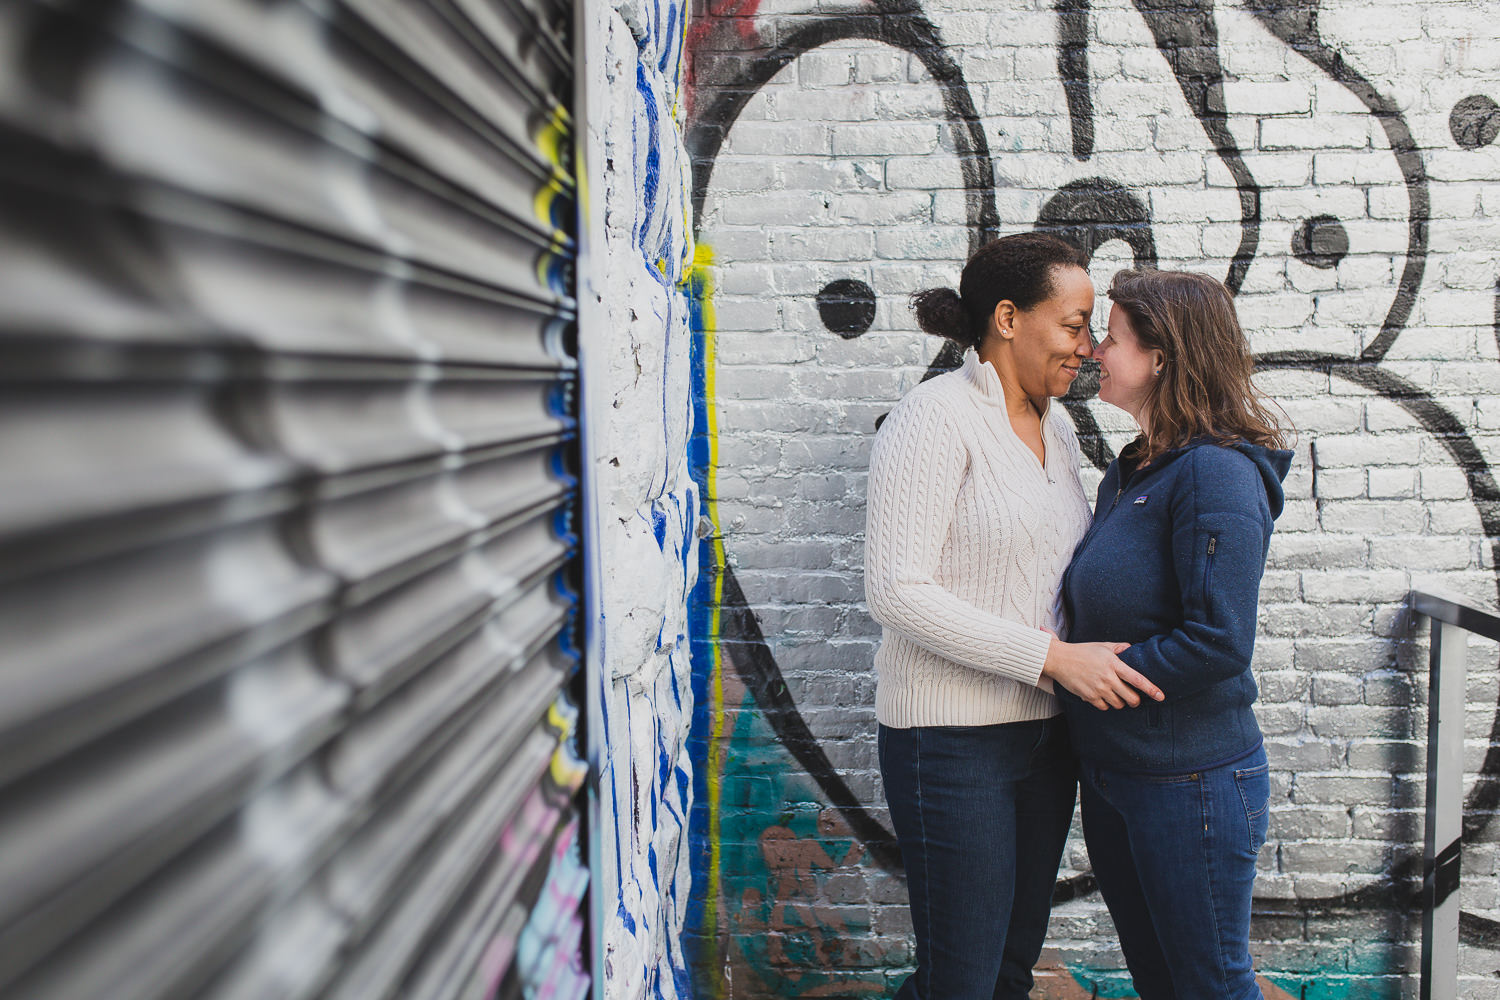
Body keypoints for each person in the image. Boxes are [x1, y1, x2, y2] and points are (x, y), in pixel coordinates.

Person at [864, 233, 1164, 1000]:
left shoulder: (1057, 427)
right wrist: (1054, 659)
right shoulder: (933, 419)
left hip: (1045, 740)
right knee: (959, 978)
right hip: (951, 743)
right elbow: (897, 591)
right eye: (1073, 324)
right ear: (1007, 318)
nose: (1089, 346)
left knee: (1006, 969)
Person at [1061, 268, 1294, 1000]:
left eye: (1114, 337)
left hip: (1190, 782)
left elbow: (1220, 640)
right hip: (1116, 773)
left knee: (1210, 986)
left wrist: (1087, 675)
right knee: (1161, 983)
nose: (1096, 350)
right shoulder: (1133, 469)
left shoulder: (1217, 475)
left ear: (1161, 358)